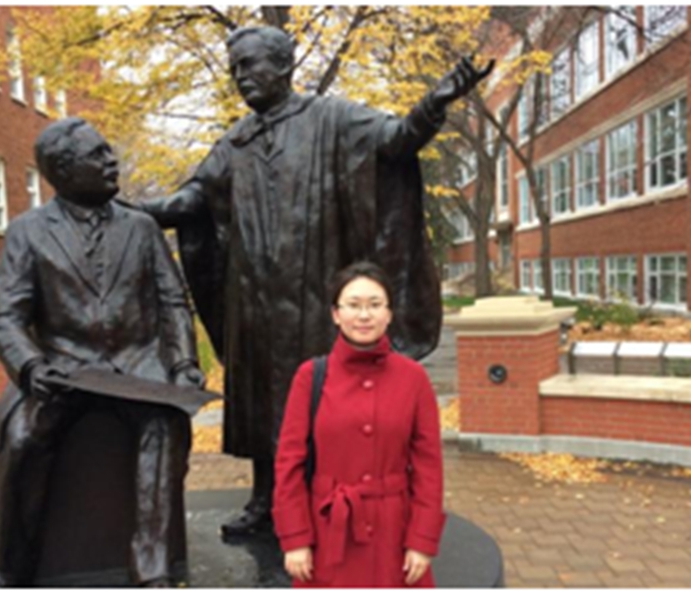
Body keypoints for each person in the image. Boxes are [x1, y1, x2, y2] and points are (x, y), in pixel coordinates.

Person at [139, 25, 492, 535]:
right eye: (235, 68)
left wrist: (434, 103)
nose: (240, 76)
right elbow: (193, 198)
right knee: (262, 402)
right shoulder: (235, 142)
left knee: (317, 403)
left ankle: (325, 500)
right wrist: (133, 211)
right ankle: (265, 500)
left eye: (249, 64)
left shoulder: (332, 118)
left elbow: (395, 142)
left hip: (312, 294)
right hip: (253, 302)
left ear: (284, 66)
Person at [0, 117, 205, 587]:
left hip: (137, 366)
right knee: (20, 438)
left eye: (108, 151)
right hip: (64, 369)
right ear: (64, 170)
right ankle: (13, 567)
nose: (111, 161)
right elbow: (5, 316)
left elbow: (173, 302)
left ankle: (153, 569)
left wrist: (184, 364)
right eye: (97, 155)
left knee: (164, 425)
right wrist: (30, 365)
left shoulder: (142, 227)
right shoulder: (27, 231)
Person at [272, 261, 444, 587]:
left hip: (394, 534)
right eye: (353, 305)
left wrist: (422, 540)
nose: (364, 315)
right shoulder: (310, 377)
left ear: (389, 314)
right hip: (327, 532)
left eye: (375, 305)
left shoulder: (413, 378)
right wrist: (295, 537)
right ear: (336, 314)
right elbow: (289, 463)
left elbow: (428, 467)